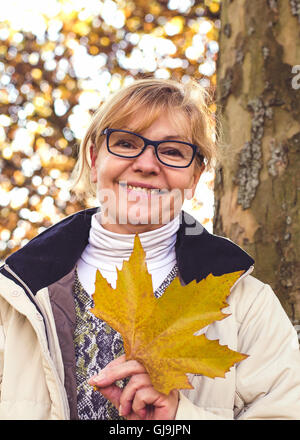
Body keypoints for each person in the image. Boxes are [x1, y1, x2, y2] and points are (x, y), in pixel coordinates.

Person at [0, 78, 300, 420]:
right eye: (126, 143)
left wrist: (178, 419)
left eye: (172, 151)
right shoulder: (14, 299)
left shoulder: (247, 305)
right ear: (96, 158)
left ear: (194, 177)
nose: (146, 164)